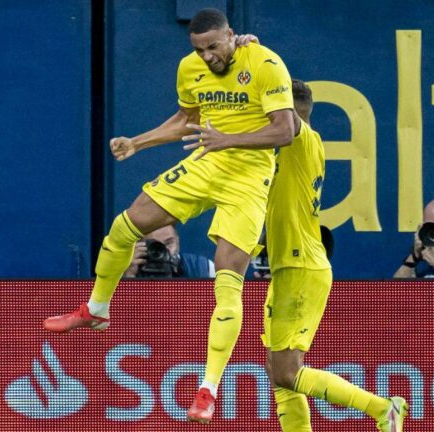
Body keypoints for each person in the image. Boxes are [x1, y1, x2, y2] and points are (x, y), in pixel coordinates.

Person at [42, 8, 295, 424]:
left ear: (232, 35)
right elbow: (185, 121)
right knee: (128, 223)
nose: (208, 56)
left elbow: (284, 131)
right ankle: (97, 308)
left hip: (249, 177)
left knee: (230, 278)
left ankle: (208, 390)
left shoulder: (264, 63)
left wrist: (227, 138)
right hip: (205, 162)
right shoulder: (190, 67)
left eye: (214, 46)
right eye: (200, 49)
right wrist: (137, 143)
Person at [253, 79, 408, 432]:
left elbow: (283, 121)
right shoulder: (289, 150)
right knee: (278, 370)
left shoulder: (300, 139)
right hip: (288, 266)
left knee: (287, 372)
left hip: (301, 266)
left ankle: (382, 408)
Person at [123, 224, 215, 278]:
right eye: (156, 246)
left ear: (177, 241)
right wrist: (129, 276)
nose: (163, 250)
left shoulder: (203, 268)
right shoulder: (129, 267)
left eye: (169, 243)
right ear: (140, 245)